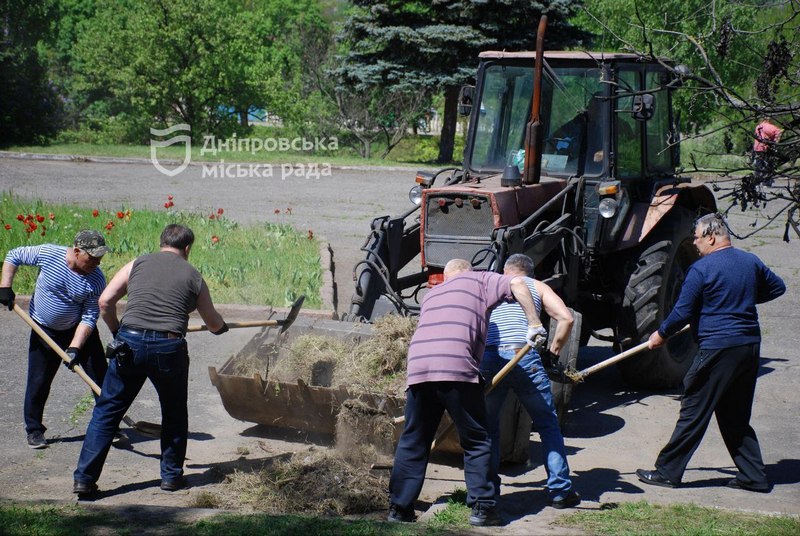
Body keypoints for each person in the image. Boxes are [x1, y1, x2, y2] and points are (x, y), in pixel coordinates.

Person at [388, 258, 547, 527]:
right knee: (476, 440)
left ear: (448, 276)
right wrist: (533, 323)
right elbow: (518, 282)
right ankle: (484, 508)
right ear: (468, 272)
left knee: (414, 439)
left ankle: (399, 508)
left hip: (419, 369)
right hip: (456, 367)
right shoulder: (479, 280)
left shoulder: (432, 294)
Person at [72, 224, 228, 496]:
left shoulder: (138, 263)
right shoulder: (194, 275)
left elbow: (105, 302)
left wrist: (116, 331)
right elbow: (213, 323)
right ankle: (170, 477)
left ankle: (84, 479)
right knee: (174, 413)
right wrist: (222, 327)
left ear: (161, 242)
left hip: (129, 343)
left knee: (107, 411)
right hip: (168, 348)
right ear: (187, 248)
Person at [636, 213, 785, 492]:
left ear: (711, 237)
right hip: (748, 346)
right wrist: (740, 298)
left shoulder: (701, 270)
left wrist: (661, 334)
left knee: (694, 407)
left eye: (697, 237)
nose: (694, 243)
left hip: (718, 347)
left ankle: (667, 472)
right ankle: (754, 476)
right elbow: (777, 287)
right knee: (734, 414)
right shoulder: (750, 261)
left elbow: (682, 312)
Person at [481, 253, 580, 509]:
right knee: (547, 424)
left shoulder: (492, 284)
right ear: (530, 273)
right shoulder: (537, 286)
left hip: (491, 357)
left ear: (506, 271)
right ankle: (559, 491)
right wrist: (553, 352)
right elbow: (566, 318)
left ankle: (487, 493)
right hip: (524, 354)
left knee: (488, 428)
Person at [0, 230, 109, 449]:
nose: (96, 263)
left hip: (78, 329)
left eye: (100, 258)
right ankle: (34, 430)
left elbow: (89, 317)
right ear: (77, 251)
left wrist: (75, 348)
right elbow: (14, 255)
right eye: (92, 257)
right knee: (38, 381)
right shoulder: (50, 254)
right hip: (44, 330)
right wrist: (5, 286)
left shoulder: (96, 280)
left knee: (101, 379)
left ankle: (108, 424)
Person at [752, 118, 783, 183]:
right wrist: (776, 142)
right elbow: (779, 131)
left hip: (757, 147)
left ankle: (756, 180)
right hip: (766, 148)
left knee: (759, 164)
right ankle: (767, 180)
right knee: (769, 163)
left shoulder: (758, 126)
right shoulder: (769, 126)